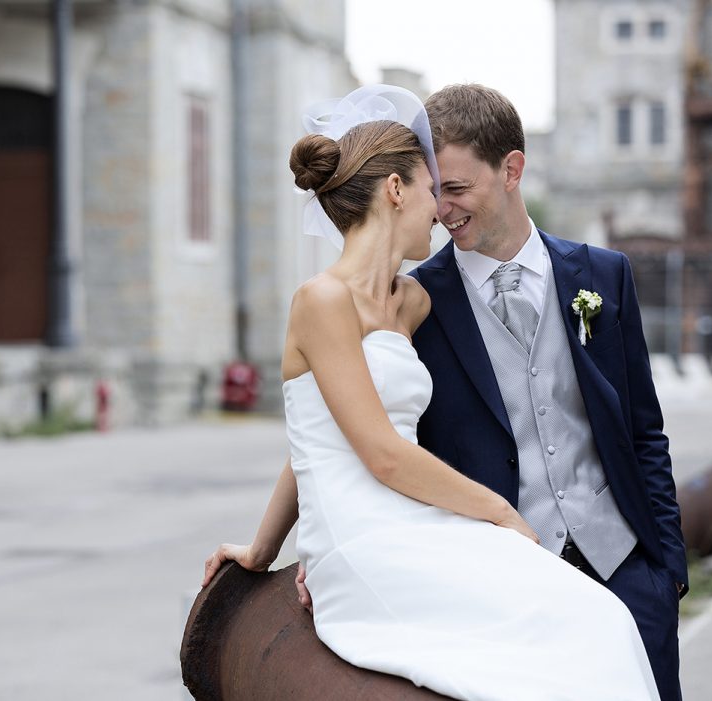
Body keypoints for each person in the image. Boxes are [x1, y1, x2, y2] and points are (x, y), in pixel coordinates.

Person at [203, 85, 660, 701]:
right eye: (430, 189)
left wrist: (264, 547)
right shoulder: (320, 300)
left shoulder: (411, 302)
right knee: (569, 628)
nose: (439, 211)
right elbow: (376, 453)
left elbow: (326, 429)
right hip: (368, 534)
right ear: (396, 190)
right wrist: (500, 513)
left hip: (417, 522)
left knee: (602, 621)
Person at [411, 83, 686, 701]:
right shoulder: (418, 302)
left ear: (512, 170)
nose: (442, 210)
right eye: (433, 192)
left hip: (626, 576)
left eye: (456, 188)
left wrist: (667, 572)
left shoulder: (604, 275)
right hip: (502, 594)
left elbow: (644, 432)